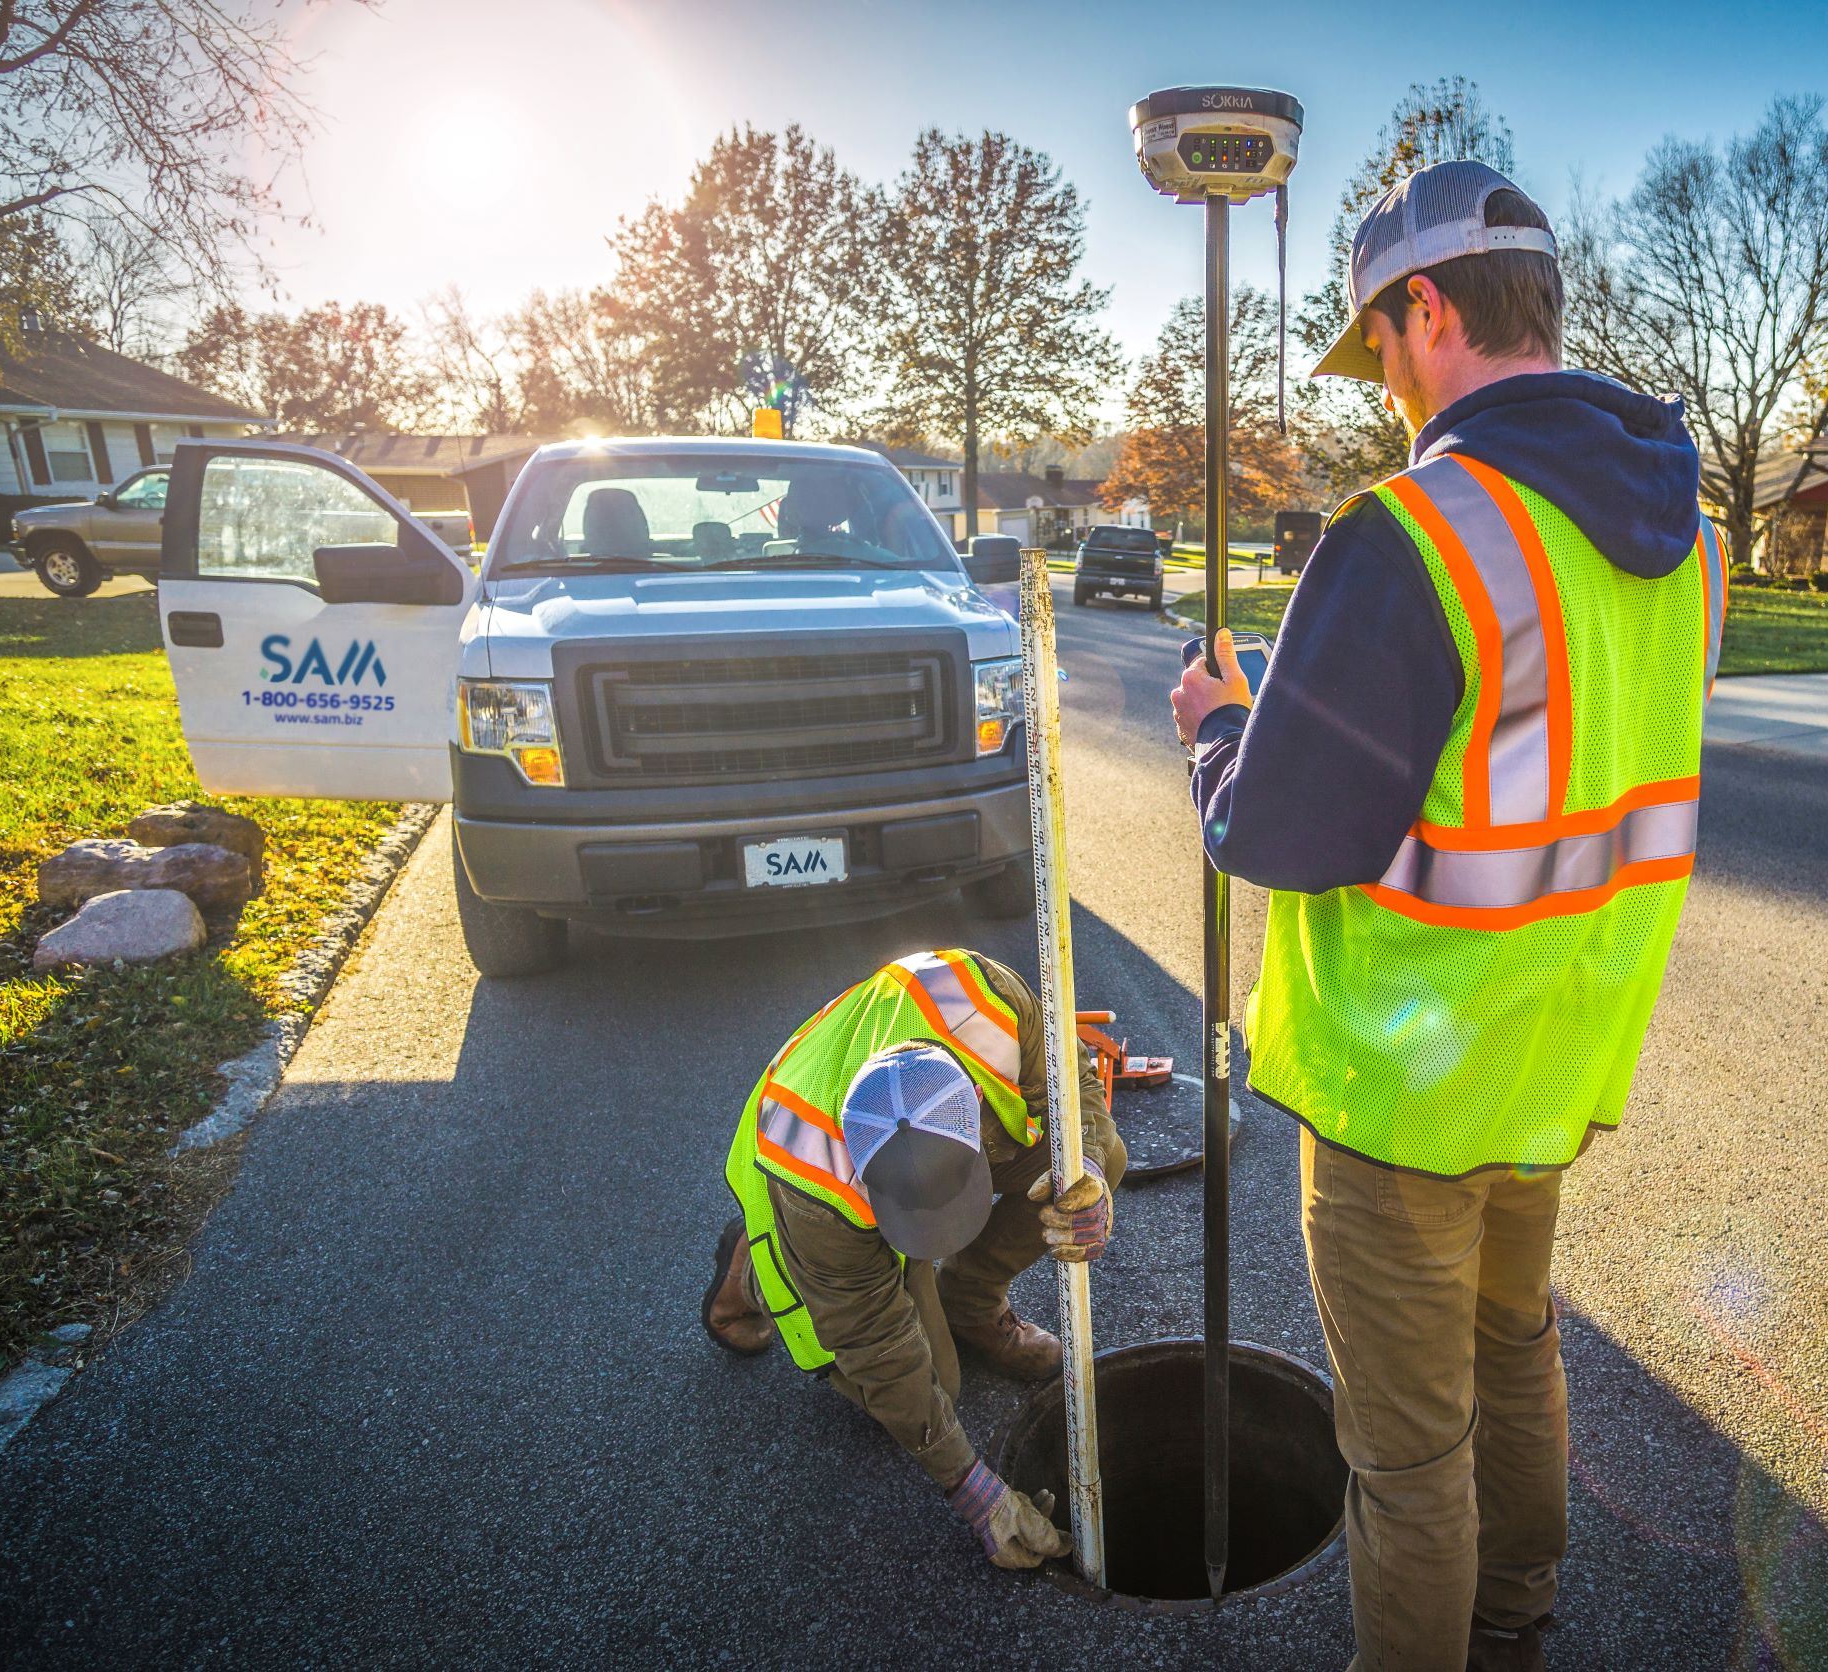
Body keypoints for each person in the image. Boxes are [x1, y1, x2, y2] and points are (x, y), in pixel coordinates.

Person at [1170, 161, 1722, 1670]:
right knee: (1516, 1343)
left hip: (1402, 1081)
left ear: (1428, 310)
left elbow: (1278, 832)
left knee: (1407, 1454)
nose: (1387, 390)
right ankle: (1518, 1618)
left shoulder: (1412, 528)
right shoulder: (1690, 537)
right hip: (1553, 1050)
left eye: (1381, 349)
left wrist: (1218, 726)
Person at [700, 947, 1125, 1570]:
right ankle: (756, 1266)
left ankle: (970, 1304)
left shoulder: (986, 1003)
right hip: (800, 1198)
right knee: (928, 1387)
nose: (944, 1234)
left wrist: (1083, 1169)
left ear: (975, 1114)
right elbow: (873, 1341)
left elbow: (1075, 1081)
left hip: (895, 1166)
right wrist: (973, 1490)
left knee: (1101, 1158)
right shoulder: (819, 1178)